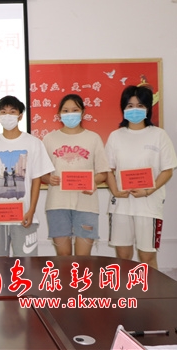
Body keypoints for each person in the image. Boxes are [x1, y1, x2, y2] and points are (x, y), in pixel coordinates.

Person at [105, 85, 177, 269]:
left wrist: (148, 190)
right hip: (121, 204)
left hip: (149, 204)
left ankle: (149, 288)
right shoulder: (115, 136)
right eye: (130, 106)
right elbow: (108, 170)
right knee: (123, 257)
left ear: (147, 108)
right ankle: (126, 288)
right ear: (123, 108)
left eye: (140, 105)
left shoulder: (159, 135)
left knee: (147, 256)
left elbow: (168, 170)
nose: (135, 109)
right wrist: (115, 191)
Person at [0, 96, 54, 257]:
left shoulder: (34, 143)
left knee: (26, 265)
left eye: (12, 112)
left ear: (20, 116)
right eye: (3, 112)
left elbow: (37, 179)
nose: (7, 116)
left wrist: (31, 210)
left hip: (24, 217)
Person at [41, 94, 110, 256]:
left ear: (83, 112)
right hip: (57, 204)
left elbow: (103, 172)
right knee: (63, 257)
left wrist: (92, 181)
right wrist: (48, 179)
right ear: (59, 113)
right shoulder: (49, 139)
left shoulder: (93, 138)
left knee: (83, 258)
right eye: (65, 110)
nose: (70, 114)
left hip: (86, 204)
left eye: (75, 110)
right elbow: (41, 174)